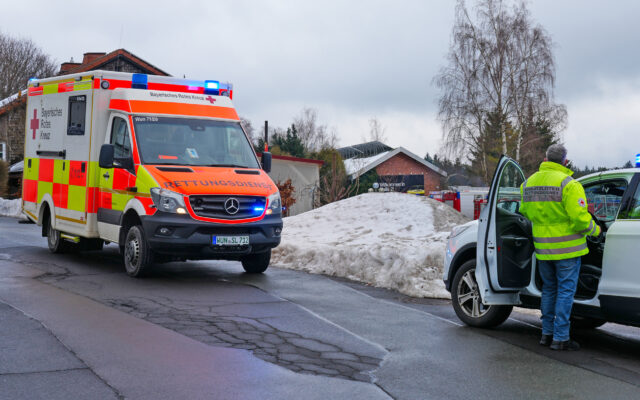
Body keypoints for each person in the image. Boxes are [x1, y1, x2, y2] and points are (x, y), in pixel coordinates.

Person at [519, 144, 601, 351]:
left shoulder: (528, 183)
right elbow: (580, 220)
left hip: (543, 248)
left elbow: (524, 212)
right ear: (565, 161)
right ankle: (561, 337)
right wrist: (596, 231)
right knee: (565, 291)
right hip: (568, 250)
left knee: (549, 289)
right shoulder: (569, 184)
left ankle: (546, 334)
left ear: (546, 160)